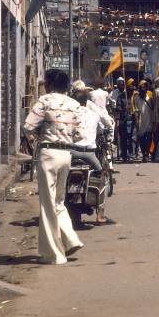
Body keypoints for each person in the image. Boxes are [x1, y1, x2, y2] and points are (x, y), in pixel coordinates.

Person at [23, 69, 85, 264]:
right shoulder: (74, 104)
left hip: (48, 153)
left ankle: (53, 254)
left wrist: (43, 129)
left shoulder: (44, 100)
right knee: (58, 201)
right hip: (66, 154)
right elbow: (80, 135)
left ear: (49, 83)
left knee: (47, 204)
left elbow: (27, 126)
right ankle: (70, 239)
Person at [71, 83, 114, 225]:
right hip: (89, 155)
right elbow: (102, 129)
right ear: (87, 101)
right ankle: (100, 216)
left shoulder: (69, 114)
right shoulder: (94, 115)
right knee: (102, 180)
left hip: (70, 153)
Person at [132, 80, 155, 162]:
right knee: (141, 139)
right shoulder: (136, 98)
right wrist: (136, 119)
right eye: (140, 87)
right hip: (141, 121)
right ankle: (143, 152)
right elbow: (136, 110)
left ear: (146, 88)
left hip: (149, 120)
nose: (142, 89)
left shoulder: (150, 96)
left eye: (143, 87)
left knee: (149, 138)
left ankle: (146, 154)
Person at [115, 78, 135, 162]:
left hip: (133, 120)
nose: (130, 88)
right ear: (126, 87)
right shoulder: (121, 97)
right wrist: (123, 109)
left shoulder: (135, 96)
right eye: (129, 86)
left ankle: (131, 155)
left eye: (132, 86)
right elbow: (117, 108)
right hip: (124, 121)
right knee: (124, 139)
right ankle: (124, 156)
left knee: (132, 139)